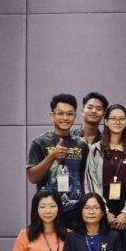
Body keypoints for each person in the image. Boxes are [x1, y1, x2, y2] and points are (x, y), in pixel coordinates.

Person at [27, 93, 89, 227]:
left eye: (70, 114)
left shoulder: (82, 145)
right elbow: (32, 177)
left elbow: (84, 178)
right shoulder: (40, 142)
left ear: (75, 116)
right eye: (60, 113)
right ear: (52, 115)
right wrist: (52, 156)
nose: (65, 118)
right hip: (48, 210)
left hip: (75, 211)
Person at [84, 104, 126, 231]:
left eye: (121, 119)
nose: (117, 122)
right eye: (113, 118)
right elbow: (91, 182)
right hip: (102, 210)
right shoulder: (96, 149)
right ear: (106, 121)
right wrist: (104, 211)